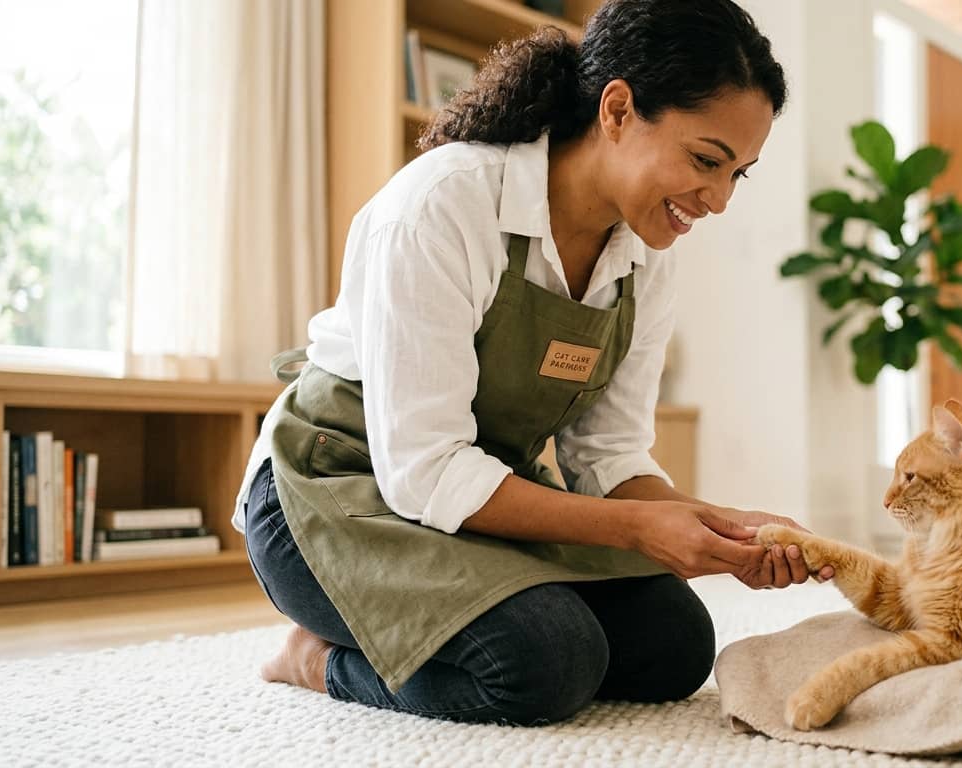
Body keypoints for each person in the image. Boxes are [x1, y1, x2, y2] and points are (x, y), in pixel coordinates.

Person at [232, 0, 832, 726]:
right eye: (706, 160)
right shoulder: (442, 206)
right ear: (617, 109)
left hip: (479, 500)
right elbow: (423, 469)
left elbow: (606, 457)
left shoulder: (645, 258)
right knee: (545, 662)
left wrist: (718, 523)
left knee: (675, 645)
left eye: (740, 173)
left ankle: (457, 616)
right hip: (334, 493)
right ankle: (316, 659)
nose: (718, 200)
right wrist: (644, 532)